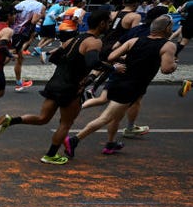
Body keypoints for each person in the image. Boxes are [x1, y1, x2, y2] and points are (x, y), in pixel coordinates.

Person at [0, 9, 112, 165]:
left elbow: (54, 56)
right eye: (108, 22)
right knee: (66, 124)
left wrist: (66, 66)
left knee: (43, 118)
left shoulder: (74, 39)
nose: (109, 25)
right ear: (102, 23)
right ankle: (50, 155)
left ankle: (11, 120)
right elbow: (93, 63)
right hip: (71, 87)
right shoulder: (95, 42)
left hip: (56, 82)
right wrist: (112, 68)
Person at [64, 16, 178, 158]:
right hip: (130, 87)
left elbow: (111, 56)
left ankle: (110, 144)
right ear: (167, 28)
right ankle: (74, 140)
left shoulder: (134, 40)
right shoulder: (168, 45)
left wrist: (122, 61)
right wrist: (174, 64)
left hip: (118, 80)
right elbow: (166, 69)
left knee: (117, 117)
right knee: (106, 117)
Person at [11, 0, 46, 91]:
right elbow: (34, 21)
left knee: (20, 58)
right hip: (21, 33)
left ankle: (18, 83)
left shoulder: (21, 4)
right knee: (8, 56)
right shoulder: (38, 5)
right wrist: (42, 15)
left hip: (13, 31)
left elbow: (12, 17)